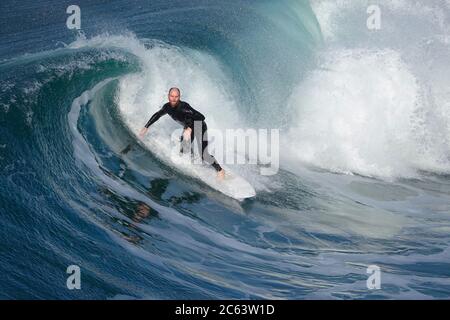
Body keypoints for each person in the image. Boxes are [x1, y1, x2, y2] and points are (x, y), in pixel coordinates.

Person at [139, 87, 226, 179]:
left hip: (200, 127)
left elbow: (201, 117)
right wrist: (146, 126)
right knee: (183, 148)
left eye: (176, 96)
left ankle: (220, 170)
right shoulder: (167, 107)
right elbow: (157, 115)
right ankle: (194, 161)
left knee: (204, 154)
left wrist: (188, 129)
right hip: (189, 127)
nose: (174, 99)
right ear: (168, 96)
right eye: (172, 96)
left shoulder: (184, 107)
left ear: (179, 97)